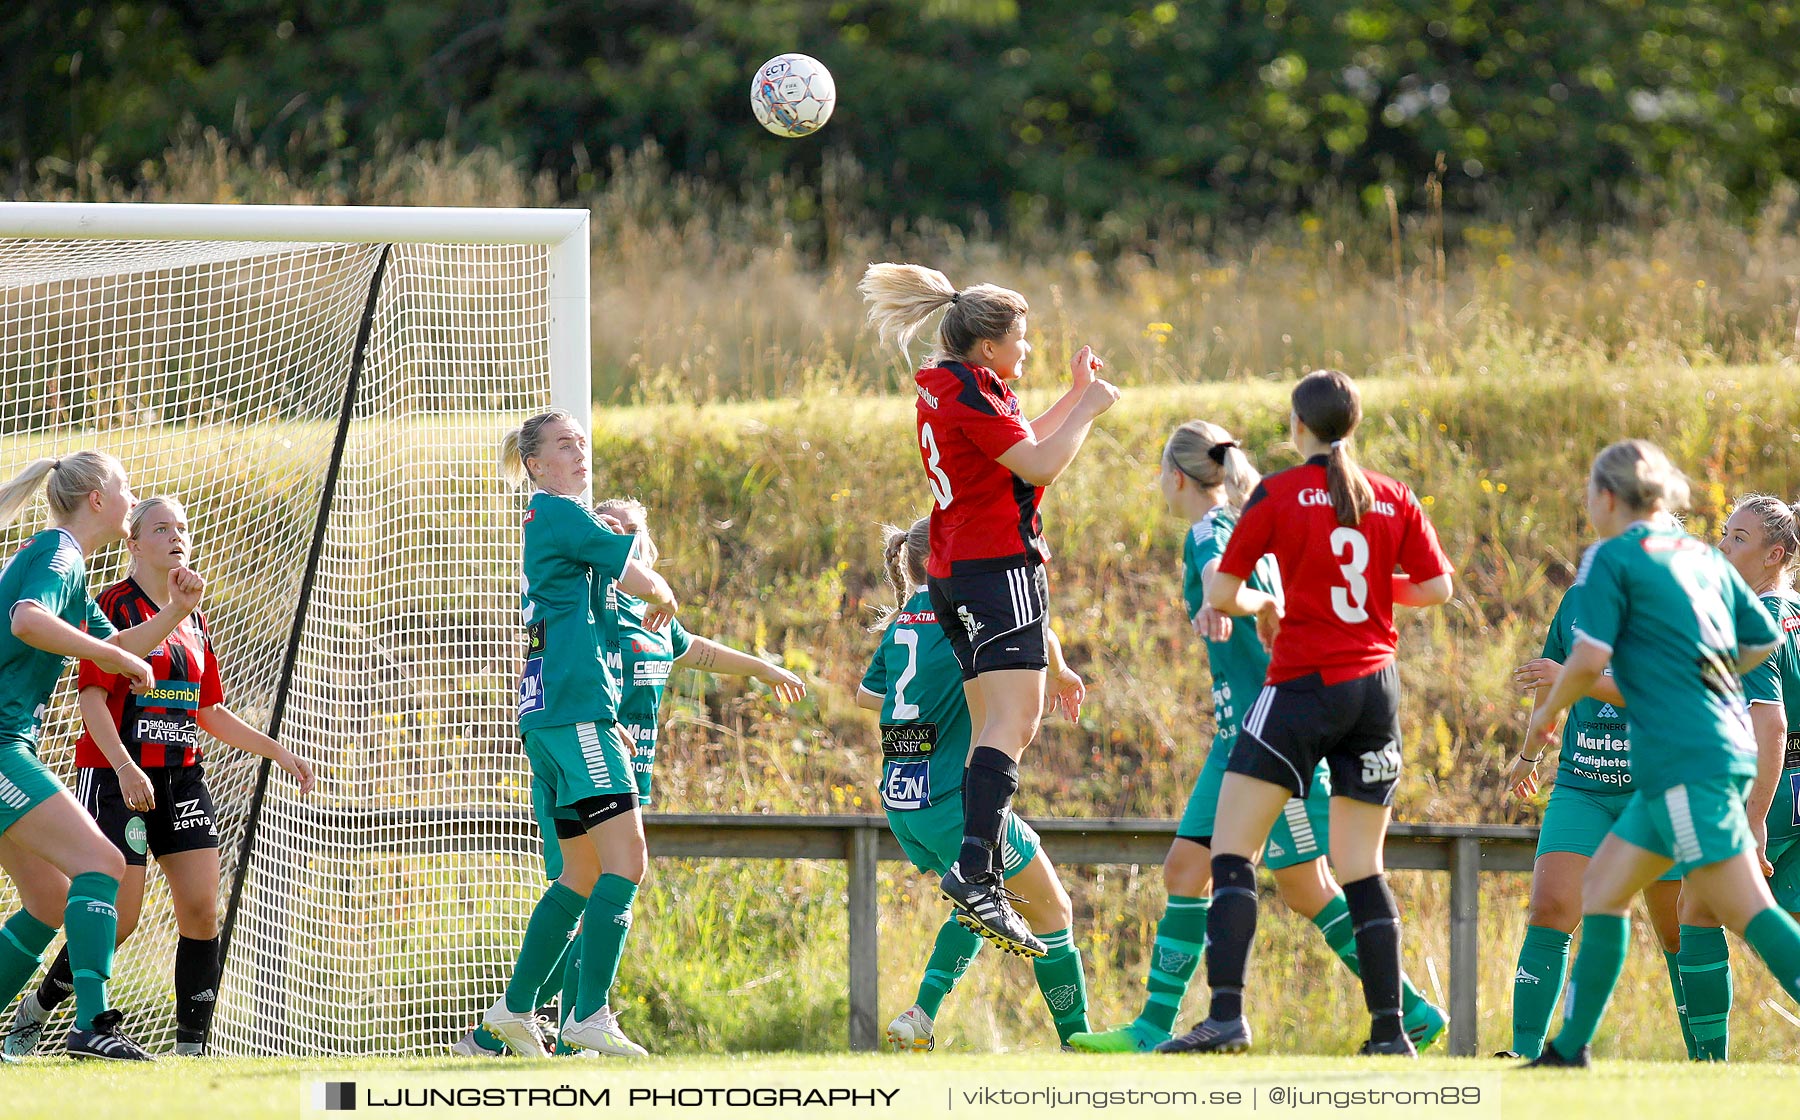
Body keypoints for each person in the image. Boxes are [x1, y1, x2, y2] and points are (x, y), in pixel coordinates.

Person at [1071, 421, 1445, 1054]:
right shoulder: (1248, 522)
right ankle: (1153, 1027)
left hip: (1269, 733)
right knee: (1193, 870)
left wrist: (1244, 603)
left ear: (1176, 477)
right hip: (1238, 733)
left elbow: (1230, 576)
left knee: (1299, 882)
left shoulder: (1209, 530)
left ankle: (1406, 1010)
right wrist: (1246, 603)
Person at [454, 497, 806, 1057]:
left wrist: (763, 668)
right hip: (581, 759)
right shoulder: (594, 610)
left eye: (627, 527)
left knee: (595, 892)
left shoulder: (657, 621)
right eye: (604, 528)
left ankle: (516, 1029)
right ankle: (557, 1026)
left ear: (649, 546)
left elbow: (697, 650)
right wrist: (603, 720)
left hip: (624, 775)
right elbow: (576, 673)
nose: (614, 533)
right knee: (589, 889)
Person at [1170, 370, 1453, 1057]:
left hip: (1301, 687)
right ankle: (1391, 1031)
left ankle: (1227, 1017)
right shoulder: (1393, 495)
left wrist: (1280, 597)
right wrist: (1364, 591)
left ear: (1298, 428)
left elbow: (1229, 591)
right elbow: (1438, 587)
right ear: (1352, 427)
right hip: (1376, 691)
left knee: (1232, 851)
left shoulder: (1279, 493)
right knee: (1362, 866)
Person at [859, 262, 1119, 957]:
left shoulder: (962, 388)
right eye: (1021, 339)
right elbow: (1037, 465)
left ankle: (978, 870)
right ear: (986, 348)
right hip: (993, 565)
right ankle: (977, 872)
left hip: (956, 568)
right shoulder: (970, 387)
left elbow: (1018, 441)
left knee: (990, 724)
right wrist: (1090, 411)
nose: (1027, 349)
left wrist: (1073, 394)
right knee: (1015, 720)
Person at [4, 497, 315, 1058]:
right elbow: (92, 700)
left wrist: (279, 751)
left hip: (180, 778)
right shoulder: (112, 605)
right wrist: (123, 766)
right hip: (117, 775)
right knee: (116, 917)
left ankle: (191, 1050)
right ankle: (41, 1011)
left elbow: (207, 710)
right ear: (134, 543)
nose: (175, 537)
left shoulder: (192, 615)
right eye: (160, 528)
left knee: (200, 908)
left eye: (182, 528)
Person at [1522, 442, 1800, 1068]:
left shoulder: (1612, 559)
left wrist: (1545, 717)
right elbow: (1756, 639)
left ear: (1609, 498)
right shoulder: (1701, 557)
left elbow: (1588, 661)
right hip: (1703, 757)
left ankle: (1568, 1050)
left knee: (1747, 908)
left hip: (1686, 761)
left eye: (1591, 494)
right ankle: (1567, 1051)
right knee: (1603, 888)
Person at [481, 409, 679, 1059]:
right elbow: (635, 571)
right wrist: (662, 592)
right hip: (574, 712)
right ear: (535, 464)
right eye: (565, 445)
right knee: (628, 861)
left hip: (551, 717)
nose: (579, 453)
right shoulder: (560, 512)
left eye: (582, 443)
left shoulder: (552, 520)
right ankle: (586, 1014)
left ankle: (513, 1011)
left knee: (582, 872)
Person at [856, 517, 1090, 1051]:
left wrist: (926, 721)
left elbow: (870, 698)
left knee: (982, 900)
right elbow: (1029, 633)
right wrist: (1057, 669)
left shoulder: (899, 626)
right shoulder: (960, 616)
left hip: (904, 800)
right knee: (1054, 911)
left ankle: (920, 1014)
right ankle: (1078, 1044)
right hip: (956, 799)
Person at [0, 452, 205, 1061]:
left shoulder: (71, 567)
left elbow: (109, 645)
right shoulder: (58, 551)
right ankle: (93, 1026)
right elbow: (26, 621)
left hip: (11, 743)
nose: (132, 497)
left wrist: (173, 612)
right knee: (103, 863)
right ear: (98, 499)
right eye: (126, 488)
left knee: (46, 898)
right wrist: (115, 660)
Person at [1499, 575, 1701, 1060]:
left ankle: (1707, 1061)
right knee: (1550, 908)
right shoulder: (1577, 600)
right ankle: (1524, 1054)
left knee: (1678, 931)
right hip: (1581, 785)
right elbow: (1550, 686)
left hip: (1656, 788)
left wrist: (1572, 676)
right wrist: (1529, 755)